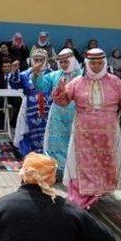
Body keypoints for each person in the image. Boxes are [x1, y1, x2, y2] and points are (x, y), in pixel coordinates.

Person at [52, 48, 121, 209]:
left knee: (104, 164)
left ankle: (98, 191)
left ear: (104, 63)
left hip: (107, 134)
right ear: (87, 64)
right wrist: (60, 90)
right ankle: (85, 195)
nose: (96, 66)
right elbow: (62, 101)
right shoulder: (77, 82)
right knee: (85, 163)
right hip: (83, 134)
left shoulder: (115, 82)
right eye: (93, 63)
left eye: (99, 63)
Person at [33, 48, 82, 180]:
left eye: (67, 61)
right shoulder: (55, 75)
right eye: (62, 62)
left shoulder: (83, 76)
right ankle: (57, 172)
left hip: (77, 115)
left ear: (73, 60)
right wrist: (37, 74)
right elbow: (41, 87)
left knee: (74, 143)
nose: (64, 64)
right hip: (57, 117)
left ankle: (73, 174)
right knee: (55, 143)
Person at [10, 49, 53, 155]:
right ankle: (27, 155)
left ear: (46, 60)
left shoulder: (51, 74)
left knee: (47, 132)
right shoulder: (27, 73)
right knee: (25, 131)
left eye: (41, 60)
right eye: (36, 59)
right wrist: (15, 71)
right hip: (29, 108)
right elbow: (15, 84)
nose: (38, 62)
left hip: (47, 109)